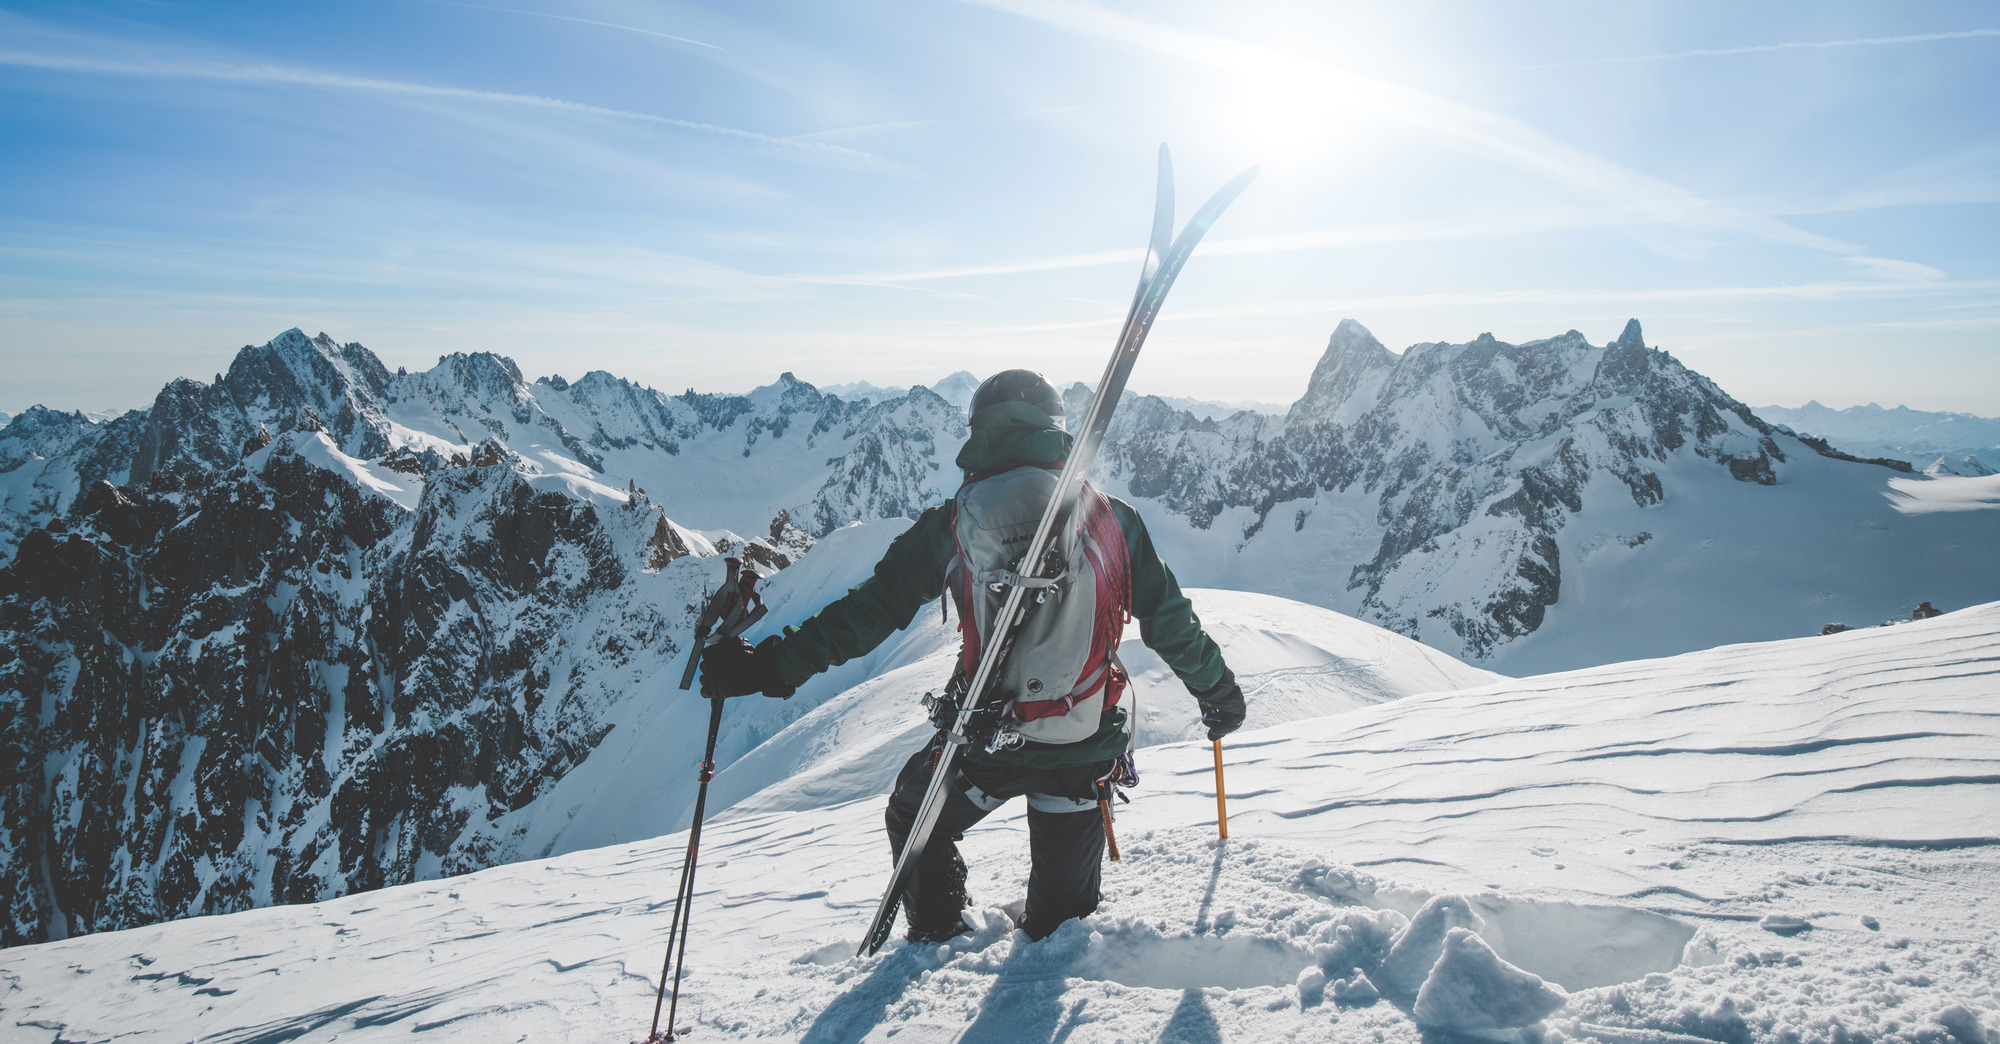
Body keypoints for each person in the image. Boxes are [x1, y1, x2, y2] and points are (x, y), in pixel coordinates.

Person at [700, 369, 1245, 944]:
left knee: (913, 815)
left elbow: (866, 614)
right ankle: (1054, 937)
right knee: (1061, 936)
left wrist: (767, 666)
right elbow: (1170, 620)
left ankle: (938, 936)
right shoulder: (1112, 518)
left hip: (986, 742)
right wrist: (1216, 691)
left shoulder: (953, 523)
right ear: (1053, 430)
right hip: (1081, 746)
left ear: (979, 433)